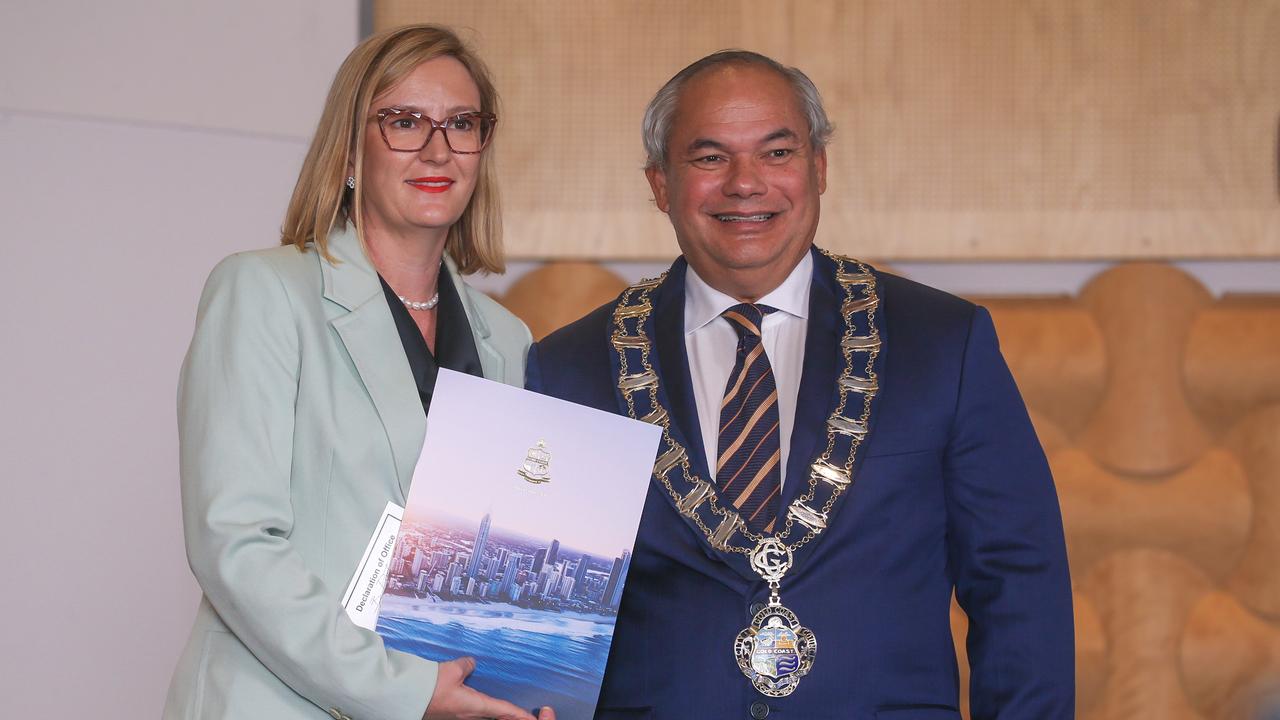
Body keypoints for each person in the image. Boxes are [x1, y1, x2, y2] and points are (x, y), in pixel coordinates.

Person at [527, 51, 1074, 719]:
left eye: (776, 152)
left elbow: (1020, 587)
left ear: (818, 168)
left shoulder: (943, 342)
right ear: (660, 184)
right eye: (709, 158)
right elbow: (530, 649)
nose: (745, 184)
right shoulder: (568, 369)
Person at [164, 25, 554, 720]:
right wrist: (404, 689)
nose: (438, 148)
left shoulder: (508, 338)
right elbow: (235, 544)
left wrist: (524, 691)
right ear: (349, 153)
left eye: (462, 124)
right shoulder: (263, 292)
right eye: (405, 122)